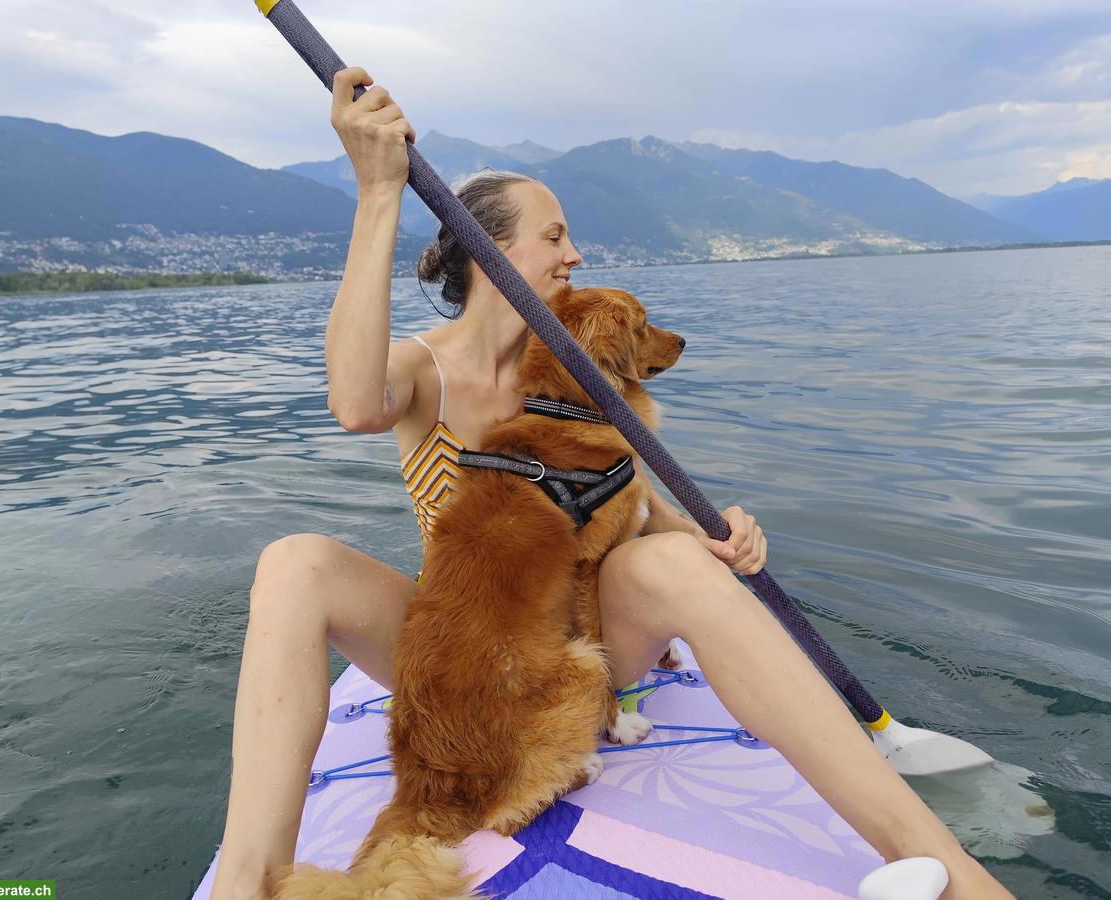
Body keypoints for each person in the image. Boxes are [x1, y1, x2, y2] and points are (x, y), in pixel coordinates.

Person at [208, 68, 1013, 900]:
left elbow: (650, 518)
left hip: (574, 640)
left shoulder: (575, 374)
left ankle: (941, 864)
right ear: (492, 251)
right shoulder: (420, 368)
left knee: (672, 564)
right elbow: (353, 403)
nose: (574, 254)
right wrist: (378, 192)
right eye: (554, 236)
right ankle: (248, 879)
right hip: (458, 647)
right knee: (294, 561)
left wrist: (725, 535)